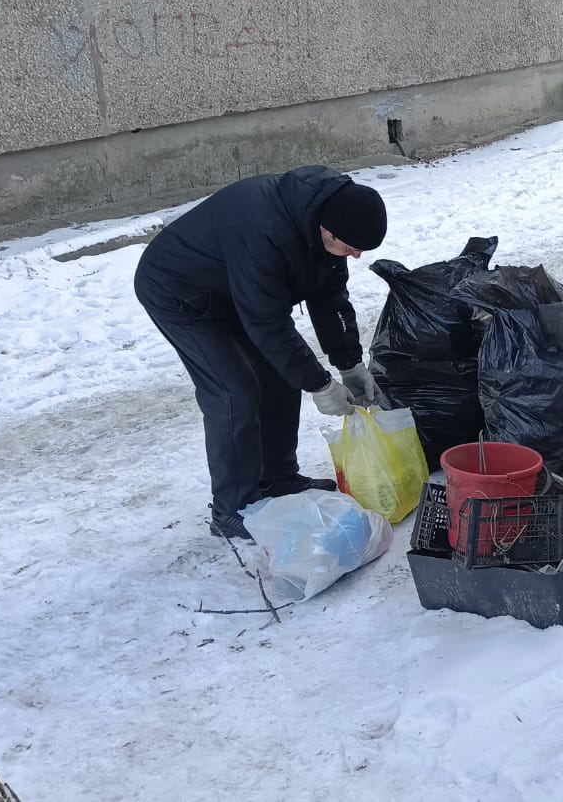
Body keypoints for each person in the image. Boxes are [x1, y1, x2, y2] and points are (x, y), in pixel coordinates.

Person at [134, 166, 391, 540]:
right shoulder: (264, 230)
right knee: (234, 393)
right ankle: (232, 509)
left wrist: (349, 363)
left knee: (281, 377)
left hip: (238, 291)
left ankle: (278, 478)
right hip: (182, 294)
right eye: (350, 247)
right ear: (326, 229)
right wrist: (320, 385)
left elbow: (330, 297)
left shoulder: (329, 219)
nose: (355, 255)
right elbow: (268, 323)